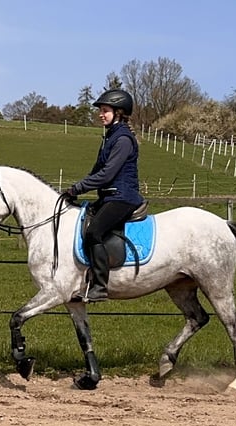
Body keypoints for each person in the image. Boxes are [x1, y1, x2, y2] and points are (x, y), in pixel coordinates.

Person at [63, 88, 144, 302]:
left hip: (123, 197)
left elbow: (107, 174)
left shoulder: (123, 139)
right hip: (109, 196)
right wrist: (74, 190)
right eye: (100, 110)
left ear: (118, 112)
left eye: (105, 110)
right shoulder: (109, 137)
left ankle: (100, 286)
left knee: (94, 232)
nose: (101, 114)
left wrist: (79, 188)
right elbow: (96, 171)